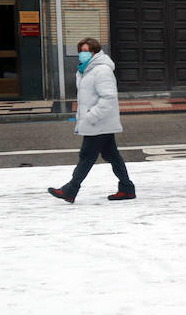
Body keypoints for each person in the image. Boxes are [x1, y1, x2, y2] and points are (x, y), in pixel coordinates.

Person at [48, 38, 136, 203]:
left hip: (98, 122)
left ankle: (70, 190)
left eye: (86, 51)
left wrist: (92, 116)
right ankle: (127, 188)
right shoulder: (85, 70)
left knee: (87, 156)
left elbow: (108, 97)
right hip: (98, 123)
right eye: (80, 51)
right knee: (112, 156)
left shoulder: (102, 70)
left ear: (94, 52)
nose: (82, 54)